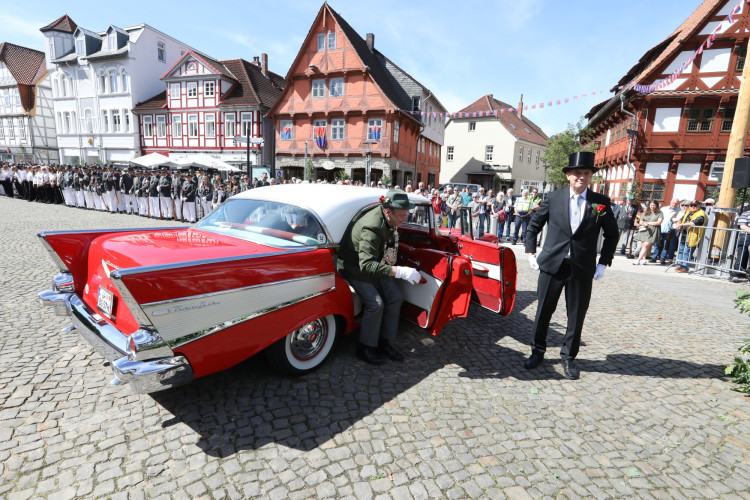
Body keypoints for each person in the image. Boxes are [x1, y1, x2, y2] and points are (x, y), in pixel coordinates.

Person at [524, 152, 618, 380]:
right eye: (577, 173)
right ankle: (537, 351)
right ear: (568, 175)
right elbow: (534, 226)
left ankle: (568, 358)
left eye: (586, 173)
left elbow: (612, 235)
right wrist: (530, 252)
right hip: (552, 265)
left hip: (581, 267)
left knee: (576, 316)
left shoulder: (600, 203)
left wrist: (604, 262)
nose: (581, 177)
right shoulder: (553, 198)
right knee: (543, 312)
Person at [336, 189, 422, 365]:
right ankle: (365, 348)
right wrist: (400, 271)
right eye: (402, 215)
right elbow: (365, 265)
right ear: (388, 211)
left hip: (376, 264)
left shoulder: (387, 215)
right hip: (354, 268)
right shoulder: (372, 227)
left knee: (395, 298)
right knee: (376, 304)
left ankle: (384, 343)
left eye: (406, 214)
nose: (404, 219)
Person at [673, 200, 707, 273]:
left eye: (695, 205)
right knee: (680, 250)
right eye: (691, 205)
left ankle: (685, 267)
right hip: (684, 234)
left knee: (687, 252)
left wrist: (682, 224)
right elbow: (682, 219)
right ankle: (679, 265)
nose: (693, 207)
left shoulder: (701, 214)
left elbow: (694, 223)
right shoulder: (688, 212)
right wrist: (678, 223)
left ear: (699, 206)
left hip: (692, 235)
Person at [633, 200, 663, 265]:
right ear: (649, 205)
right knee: (644, 246)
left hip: (653, 231)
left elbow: (659, 222)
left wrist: (648, 223)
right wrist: (644, 224)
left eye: (654, 205)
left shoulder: (660, 213)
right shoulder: (646, 212)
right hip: (645, 230)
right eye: (651, 205)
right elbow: (641, 221)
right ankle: (644, 260)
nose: (652, 206)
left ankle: (638, 260)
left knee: (645, 245)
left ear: (657, 206)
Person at [652, 198, 679, 264]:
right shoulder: (663, 209)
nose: (674, 204)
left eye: (676, 203)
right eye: (673, 202)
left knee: (666, 245)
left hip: (669, 231)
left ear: (678, 204)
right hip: (660, 229)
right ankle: (654, 257)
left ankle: (662, 258)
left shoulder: (679, 210)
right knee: (657, 244)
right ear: (670, 202)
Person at [730, 207, 750, 283]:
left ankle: (745, 273)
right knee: (741, 255)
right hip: (746, 236)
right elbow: (742, 227)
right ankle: (736, 274)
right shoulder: (746, 214)